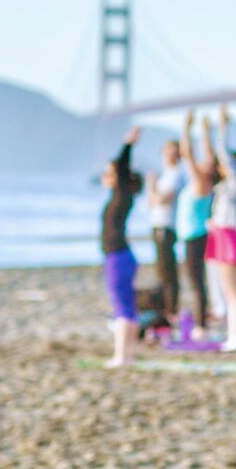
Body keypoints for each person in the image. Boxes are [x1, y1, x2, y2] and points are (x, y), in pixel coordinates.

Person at [199, 105, 236, 351]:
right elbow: (212, 157)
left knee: (231, 291)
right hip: (223, 235)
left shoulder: (234, 182)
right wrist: (205, 131)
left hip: (227, 236)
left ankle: (235, 337)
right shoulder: (229, 185)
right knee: (227, 290)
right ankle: (233, 335)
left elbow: (221, 153)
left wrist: (222, 127)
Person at [100, 125, 145, 368]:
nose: (105, 176)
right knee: (128, 306)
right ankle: (128, 355)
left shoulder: (121, 195)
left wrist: (128, 145)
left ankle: (121, 356)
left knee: (122, 307)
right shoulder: (120, 197)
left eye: (108, 173)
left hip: (118, 257)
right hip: (121, 256)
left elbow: (122, 166)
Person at [175, 112, 214, 330]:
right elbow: (206, 154)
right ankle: (203, 321)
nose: (203, 160)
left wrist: (187, 128)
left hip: (194, 236)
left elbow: (187, 153)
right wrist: (205, 130)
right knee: (199, 281)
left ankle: (201, 324)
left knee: (196, 281)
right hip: (196, 235)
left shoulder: (200, 181)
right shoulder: (203, 181)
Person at [147, 138, 185, 323]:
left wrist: (152, 187)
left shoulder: (177, 174)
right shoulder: (166, 174)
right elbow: (151, 201)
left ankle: (172, 310)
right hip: (157, 224)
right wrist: (153, 191)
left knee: (168, 270)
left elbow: (162, 199)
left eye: (174, 151)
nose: (170, 154)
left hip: (167, 225)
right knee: (161, 270)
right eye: (168, 150)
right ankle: (165, 308)